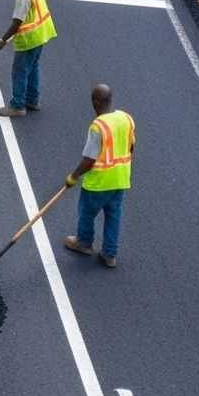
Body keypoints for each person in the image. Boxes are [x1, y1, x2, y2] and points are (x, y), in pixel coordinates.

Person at [63, 84, 135, 267]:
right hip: (120, 179)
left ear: (95, 102)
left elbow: (89, 159)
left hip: (99, 182)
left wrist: (74, 176)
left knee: (87, 213)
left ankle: (84, 243)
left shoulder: (98, 126)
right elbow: (131, 146)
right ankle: (110, 254)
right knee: (113, 216)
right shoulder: (126, 118)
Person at [0, 0, 57, 117]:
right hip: (41, 35)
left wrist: (2, 40)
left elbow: (16, 22)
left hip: (29, 40)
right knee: (33, 68)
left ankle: (17, 106)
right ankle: (32, 100)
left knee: (19, 73)